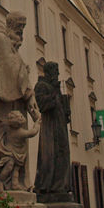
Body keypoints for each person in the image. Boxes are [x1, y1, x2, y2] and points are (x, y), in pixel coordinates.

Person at [0, 12, 39, 191]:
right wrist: (28, 93)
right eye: (20, 29)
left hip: (14, 103)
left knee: (16, 149)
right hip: (3, 106)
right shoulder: (0, 39)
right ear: (13, 26)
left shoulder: (9, 44)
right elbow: (12, 68)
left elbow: (16, 66)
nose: (21, 35)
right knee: (3, 146)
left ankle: (15, 183)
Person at [34, 61, 71, 195]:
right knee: (50, 156)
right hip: (50, 128)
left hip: (60, 127)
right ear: (49, 72)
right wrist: (55, 95)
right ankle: (49, 186)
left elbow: (59, 108)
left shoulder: (56, 88)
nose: (58, 75)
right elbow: (43, 105)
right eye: (56, 72)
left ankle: (61, 185)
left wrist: (66, 111)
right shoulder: (41, 86)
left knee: (63, 154)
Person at [0, 111, 40, 191]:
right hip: (10, 153)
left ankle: (14, 184)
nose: (22, 117)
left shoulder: (13, 130)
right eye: (20, 116)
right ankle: (0, 180)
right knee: (9, 167)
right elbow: (33, 132)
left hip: (18, 154)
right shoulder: (19, 132)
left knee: (16, 169)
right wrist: (37, 124)